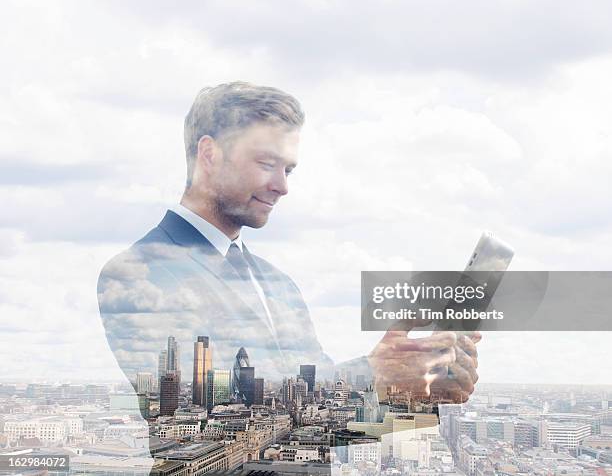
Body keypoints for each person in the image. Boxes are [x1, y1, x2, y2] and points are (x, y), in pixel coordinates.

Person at [97, 82, 479, 458]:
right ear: (209, 155)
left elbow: (312, 399)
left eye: (288, 170)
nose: (281, 187)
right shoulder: (135, 274)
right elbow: (202, 417)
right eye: (266, 164)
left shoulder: (279, 284)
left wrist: (401, 376)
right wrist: (382, 376)